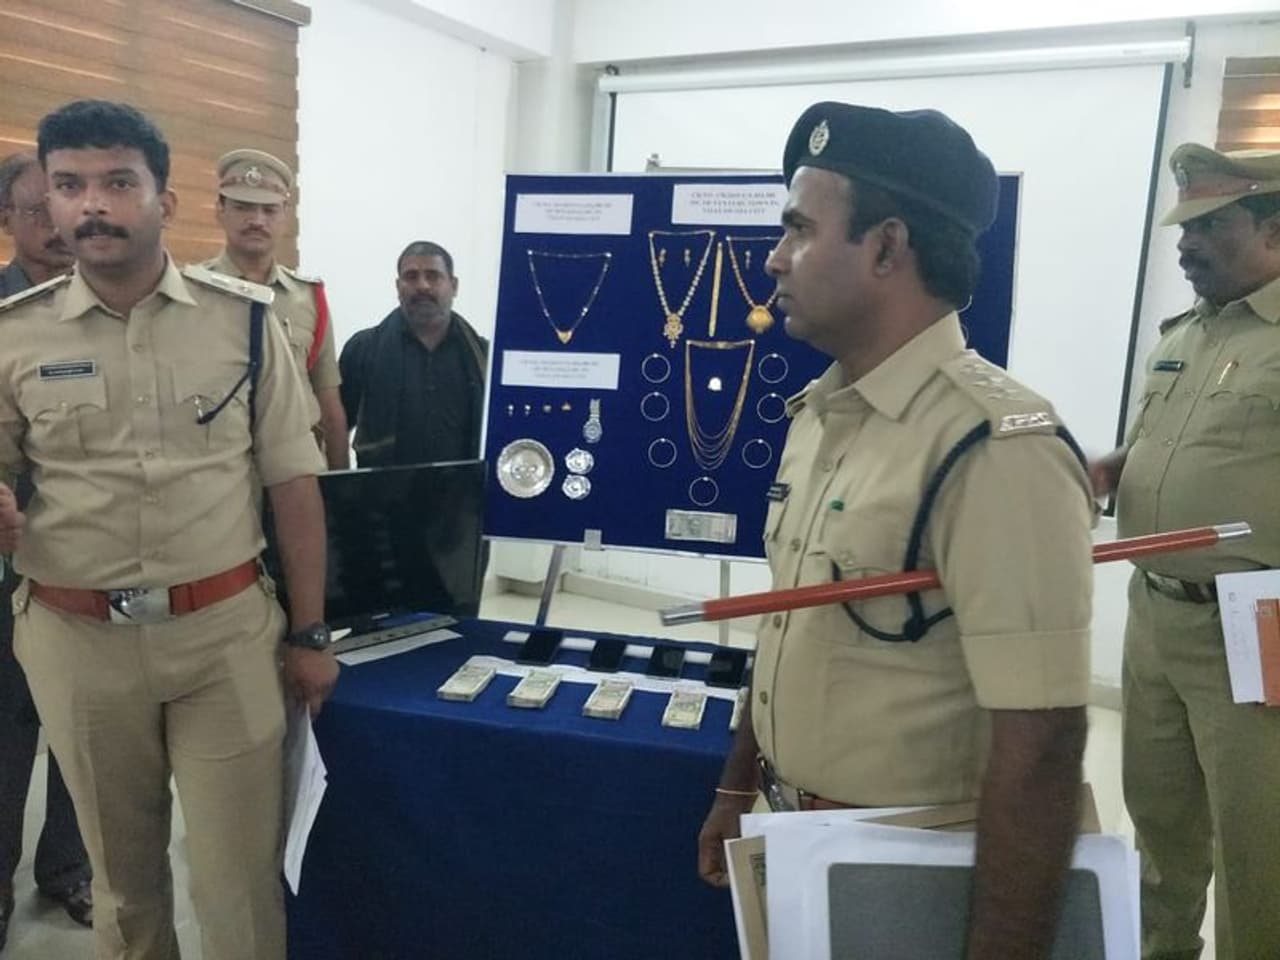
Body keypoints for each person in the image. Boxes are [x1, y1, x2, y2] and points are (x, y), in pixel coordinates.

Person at [695, 102, 1096, 960]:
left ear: (885, 248)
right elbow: (790, 625)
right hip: (794, 838)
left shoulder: (995, 448)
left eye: (800, 229)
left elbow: (1044, 742)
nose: (774, 257)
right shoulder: (822, 416)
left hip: (913, 871)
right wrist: (736, 790)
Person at [0, 99, 339, 960]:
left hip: (222, 639)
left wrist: (310, 632)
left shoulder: (245, 322)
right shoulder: (15, 335)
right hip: (77, 641)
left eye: (119, 182)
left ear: (166, 200)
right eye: (69, 185)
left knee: (237, 882)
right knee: (123, 888)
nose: (92, 204)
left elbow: (294, 484)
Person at [1090, 145, 1280, 960]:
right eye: (1183, 227)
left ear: (1272, 228)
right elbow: (1161, 445)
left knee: (1256, 840)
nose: (1185, 244)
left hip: (1255, 625)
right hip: (1154, 612)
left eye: (1209, 226)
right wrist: (1110, 469)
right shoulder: (1186, 334)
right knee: (1159, 820)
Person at [0, 151, 92, 950]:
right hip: (6, 556)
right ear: (9, 222)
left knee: (80, 723)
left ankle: (67, 869)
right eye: (37, 211)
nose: (56, 227)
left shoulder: (101, 310)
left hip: (86, 554)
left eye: (60, 209)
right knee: (6, 724)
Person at [203, 148, 348, 469]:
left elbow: (328, 401)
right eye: (243, 207)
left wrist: (341, 487)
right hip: (220, 470)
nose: (257, 220)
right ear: (220, 211)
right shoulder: (193, 291)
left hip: (297, 469)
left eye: (269, 210)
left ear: (285, 216)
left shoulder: (309, 298)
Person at [339, 241, 487, 468]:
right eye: (411, 276)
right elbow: (335, 426)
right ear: (398, 286)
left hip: (466, 487)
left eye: (433, 276)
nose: (423, 286)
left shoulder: (483, 356)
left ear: (454, 286)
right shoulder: (362, 350)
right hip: (382, 487)